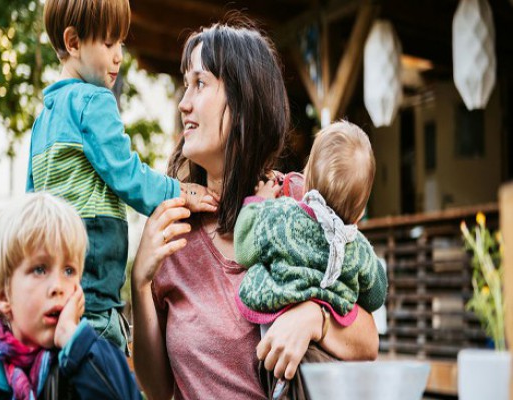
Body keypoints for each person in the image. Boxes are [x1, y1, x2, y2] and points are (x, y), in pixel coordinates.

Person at [131, 19, 380, 400]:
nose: (184, 103)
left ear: (244, 99)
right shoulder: (173, 226)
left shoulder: (304, 200)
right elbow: (156, 388)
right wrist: (141, 282)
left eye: (200, 83)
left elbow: (368, 341)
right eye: (185, 85)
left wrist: (314, 318)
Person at [27, 0, 218, 351]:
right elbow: (126, 173)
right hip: (93, 280)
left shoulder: (44, 118)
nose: (119, 56)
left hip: (53, 281)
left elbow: (31, 203)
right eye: (109, 43)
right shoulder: (95, 102)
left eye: (122, 43)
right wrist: (177, 192)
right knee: (104, 359)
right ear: (73, 43)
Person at [234, 121, 388, 398]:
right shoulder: (358, 248)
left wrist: (257, 202)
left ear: (307, 180)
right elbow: (376, 295)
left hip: (279, 356)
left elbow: (245, 249)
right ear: (362, 208)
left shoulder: (281, 216)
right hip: (330, 360)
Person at [0, 193, 141, 400]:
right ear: (4, 295)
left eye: (69, 271)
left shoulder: (83, 360)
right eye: (40, 269)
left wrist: (75, 341)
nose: (58, 287)